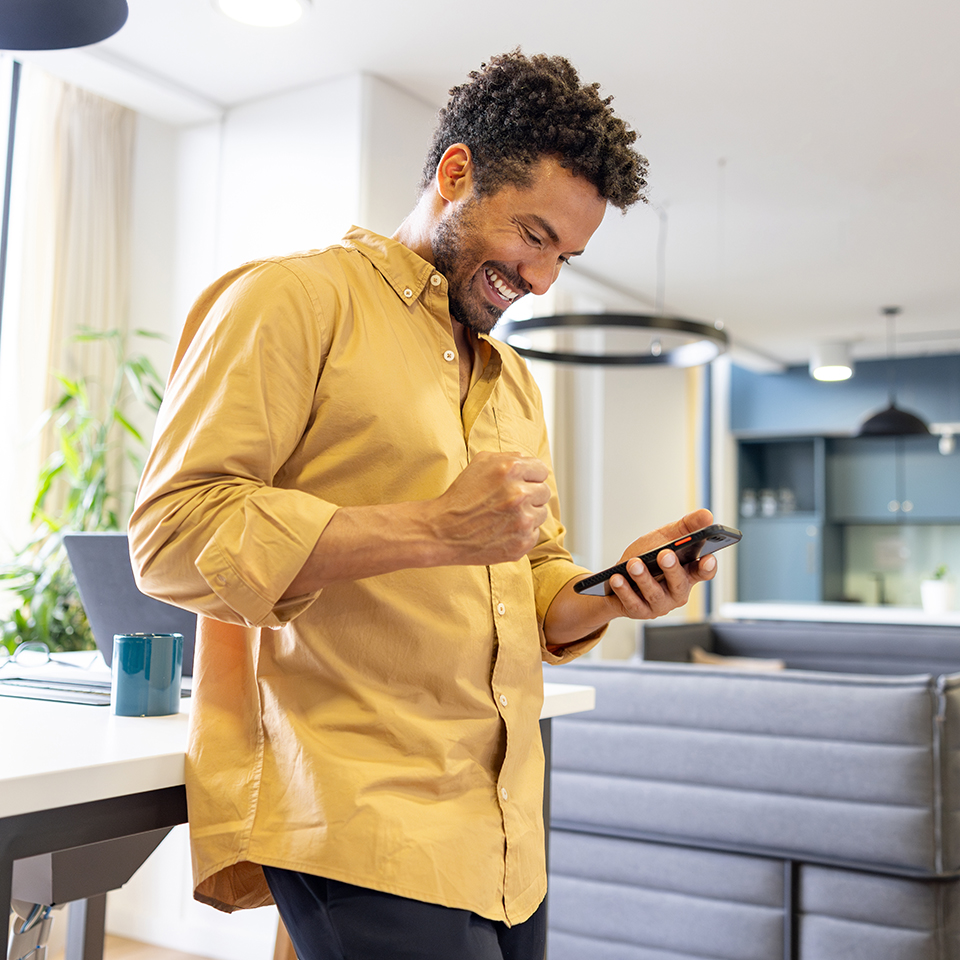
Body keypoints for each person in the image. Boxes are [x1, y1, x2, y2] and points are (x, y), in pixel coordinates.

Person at [128, 50, 717, 960]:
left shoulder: (515, 380)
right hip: (361, 808)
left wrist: (608, 591)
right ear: (456, 173)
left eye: (566, 254)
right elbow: (172, 534)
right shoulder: (291, 300)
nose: (545, 278)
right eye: (533, 236)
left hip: (507, 827)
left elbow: (528, 576)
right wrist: (433, 527)